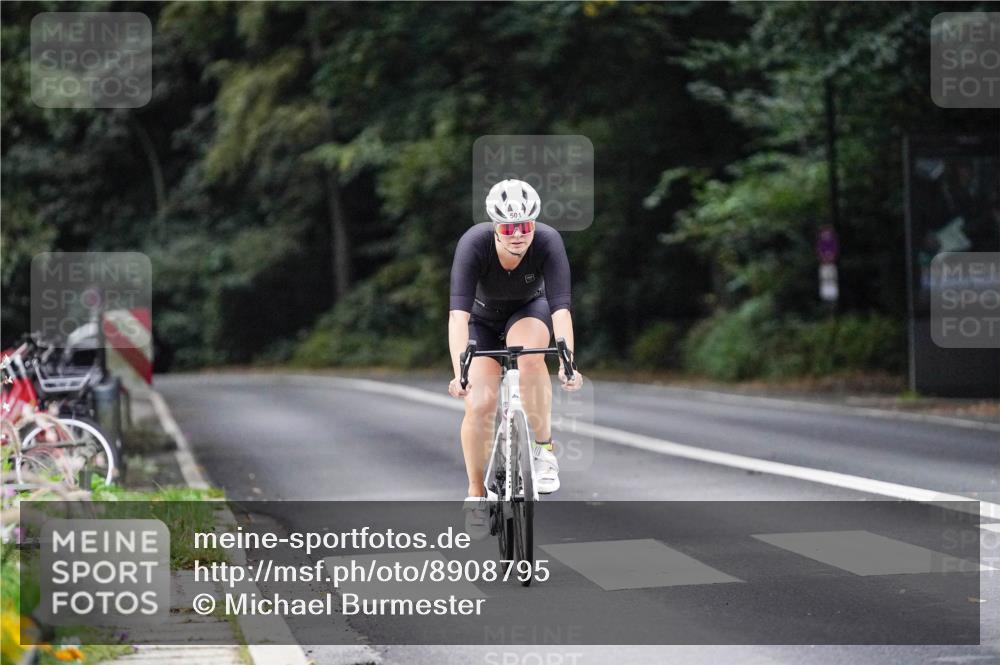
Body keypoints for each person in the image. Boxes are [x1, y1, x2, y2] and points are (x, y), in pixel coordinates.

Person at [447, 179, 583, 535]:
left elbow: (561, 311)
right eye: (508, 227)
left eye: (524, 226)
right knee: (479, 404)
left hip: (528, 310)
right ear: (495, 226)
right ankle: (476, 492)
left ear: (533, 224)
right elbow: (457, 317)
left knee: (531, 358)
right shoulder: (473, 244)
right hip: (481, 320)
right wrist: (458, 371)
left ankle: (543, 450)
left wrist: (568, 363)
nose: (518, 234)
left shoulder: (549, 241)